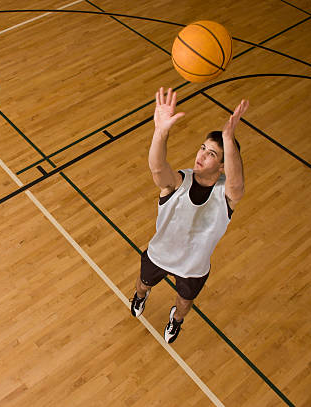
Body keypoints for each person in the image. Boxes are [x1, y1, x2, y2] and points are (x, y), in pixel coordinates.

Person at [130, 87, 249, 343]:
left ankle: (176, 320)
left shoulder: (226, 194)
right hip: (160, 253)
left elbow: (237, 186)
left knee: (185, 302)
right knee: (142, 284)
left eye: (211, 154)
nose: (202, 155)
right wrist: (160, 132)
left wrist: (228, 140)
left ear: (222, 165)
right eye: (203, 148)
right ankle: (140, 297)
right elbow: (157, 167)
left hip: (193, 267)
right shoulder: (177, 182)